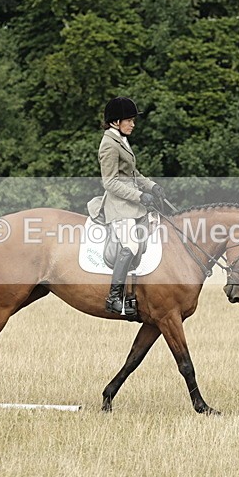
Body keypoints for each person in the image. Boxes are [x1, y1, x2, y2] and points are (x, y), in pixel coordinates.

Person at [87, 97, 166, 316]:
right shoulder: (109, 145)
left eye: (133, 120)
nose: (133, 124)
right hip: (119, 206)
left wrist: (152, 186)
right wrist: (140, 196)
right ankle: (114, 297)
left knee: (146, 242)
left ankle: (134, 297)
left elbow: (133, 174)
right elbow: (110, 183)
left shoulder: (121, 139)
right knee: (131, 245)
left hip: (133, 204)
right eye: (129, 120)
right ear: (115, 122)